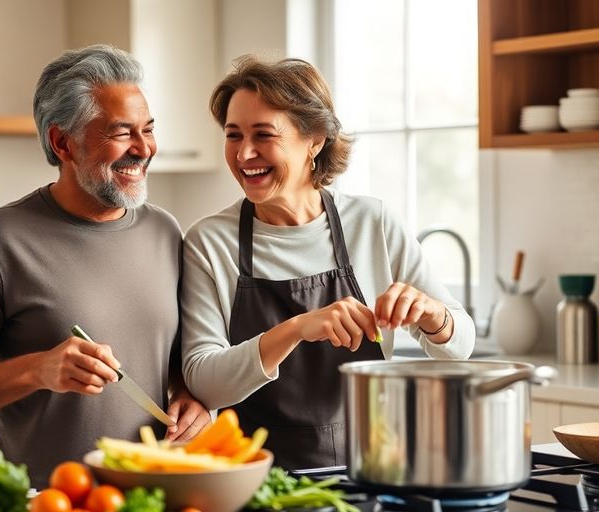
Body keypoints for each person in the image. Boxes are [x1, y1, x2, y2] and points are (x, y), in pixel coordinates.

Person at [0, 44, 210, 487]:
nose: (144, 148)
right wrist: (39, 370)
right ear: (63, 142)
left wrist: (191, 398)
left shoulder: (165, 231)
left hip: (151, 491)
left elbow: (172, 360)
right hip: (44, 496)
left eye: (148, 129)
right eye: (121, 132)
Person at [180, 56, 476, 470]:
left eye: (263, 135)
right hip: (256, 481)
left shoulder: (373, 223)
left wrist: (432, 315)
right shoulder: (210, 242)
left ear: (314, 139)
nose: (245, 153)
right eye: (234, 135)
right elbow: (203, 379)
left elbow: (461, 347)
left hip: (372, 468)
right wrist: (297, 329)